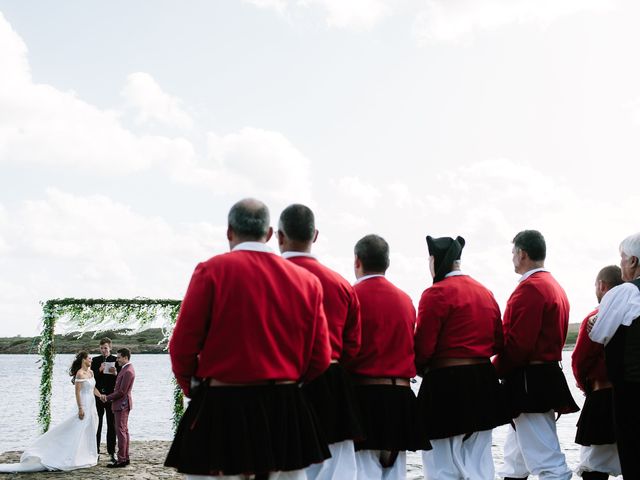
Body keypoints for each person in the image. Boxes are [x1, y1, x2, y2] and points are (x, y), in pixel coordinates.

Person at [165, 198, 332, 480]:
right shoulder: (306, 281)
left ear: (229, 231)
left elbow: (182, 346)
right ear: (268, 233)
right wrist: (291, 382)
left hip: (223, 402)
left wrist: (192, 386)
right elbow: (320, 357)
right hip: (284, 405)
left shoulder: (211, 271)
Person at [277, 203, 364, 480]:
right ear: (314, 235)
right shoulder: (340, 283)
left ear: (279, 236)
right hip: (331, 381)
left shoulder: (267, 277)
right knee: (336, 469)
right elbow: (353, 346)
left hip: (278, 379)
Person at [415, 235, 509, 480]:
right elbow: (499, 342)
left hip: (446, 384)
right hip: (483, 383)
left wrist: (419, 368)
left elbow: (423, 348)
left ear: (435, 260)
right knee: (480, 464)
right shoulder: (485, 292)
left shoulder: (435, 294)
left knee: (441, 464)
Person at [492, 229, 579, 480]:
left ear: (522, 254)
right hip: (544, 375)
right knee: (514, 459)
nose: (512, 258)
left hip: (530, 380)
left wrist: (493, 370)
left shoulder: (530, 289)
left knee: (547, 462)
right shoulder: (554, 286)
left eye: (513, 253)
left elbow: (519, 344)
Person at [347, 234, 429, 480]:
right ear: (387, 262)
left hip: (365, 397)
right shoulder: (405, 299)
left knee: (362, 473)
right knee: (395, 474)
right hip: (400, 397)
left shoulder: (352, 296)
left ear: (357, 261)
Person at [589, 232, 640, 479]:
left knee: (633, 453)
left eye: (622, 257)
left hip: (632, 389)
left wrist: (593, 324)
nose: (620, 263)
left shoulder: (626, 292)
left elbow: (599, 334)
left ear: (633, 261)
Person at [0, 351, 100, 473]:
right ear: (84, 360)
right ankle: (67, 454)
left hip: (92, 404)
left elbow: (93, 388)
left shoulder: (91, 372)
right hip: (83, 403)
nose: (91, 360)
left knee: (89, 428)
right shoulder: (79, 374)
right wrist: (80, 408)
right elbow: (77, 393)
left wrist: (101, 396)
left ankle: (85, 454)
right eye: (89, 358)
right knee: (77, 428)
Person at [572, 265, 623, 480]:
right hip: (630, 396)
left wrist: (586, 387)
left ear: (601, 286)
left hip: (602, 396)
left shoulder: (595, 317)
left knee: (594, 465)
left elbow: (579, 361)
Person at [102, 347, 135, 468]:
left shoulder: (128, 371)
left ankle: (121, 460)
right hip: (123, 404)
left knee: (121, 432)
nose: (117, 360)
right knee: (124, 431)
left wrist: (107, 397)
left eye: (119, 357)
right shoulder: (126, 369)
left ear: (126, 357)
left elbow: (121, 391)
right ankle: (125, 458)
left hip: (122, 405)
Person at [90, 337, 119, 463]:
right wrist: (99, 370)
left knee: (112, 425)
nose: (103, 350)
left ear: (110, 348)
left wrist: (116, 372)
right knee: (97, 424)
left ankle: (112, 452)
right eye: (101, 348)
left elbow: (121, 378)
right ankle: (95, 452)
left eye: (106, 348)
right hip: (97, 397)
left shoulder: (115, 360)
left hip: (111, 397)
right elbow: (90, 378)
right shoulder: (95, 360)